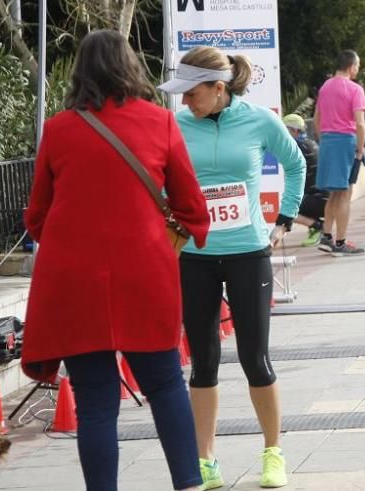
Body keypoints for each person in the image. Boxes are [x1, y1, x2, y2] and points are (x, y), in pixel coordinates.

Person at [22, 30, 211, 491]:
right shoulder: (161, 122)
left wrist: (72, 245)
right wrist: (163, 240)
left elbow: (37, 215)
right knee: (165, 385)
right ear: (130, 66)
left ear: (80, 71)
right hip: (145, 274)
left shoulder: (59, 128)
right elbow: (191, 207)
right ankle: (188, 482)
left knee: (95, 402)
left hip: (76, 279)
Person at [159, 46, 306, 490]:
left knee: (254, 358)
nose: (185, 102)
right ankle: (206, 461)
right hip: (195, 257)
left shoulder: (259, 120)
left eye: (191, 94)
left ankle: (273, 452)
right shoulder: (176, 126)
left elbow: (296, 164)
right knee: (202, 362)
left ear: (218, 88)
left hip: (247, 252)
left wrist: (284, 219)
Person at [314, 50, 365, 255]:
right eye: (358, 65)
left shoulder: (325, 87)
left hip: (327, 141)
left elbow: (317, 118)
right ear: (351, 66)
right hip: (346, 141)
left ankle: (327, 236)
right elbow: (360, 124)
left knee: (333, 194)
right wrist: (360, 149)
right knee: (345, 193)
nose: (358, 69)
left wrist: (323, 139)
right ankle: (340, 242)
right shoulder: (355, 89)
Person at [282, 113, 330, 247]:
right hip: (325, 198)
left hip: (320, 199)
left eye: (284, 130)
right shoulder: (310, 142)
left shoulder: (297, 146)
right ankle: (315, 228)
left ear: (295, 131)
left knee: (285, 207)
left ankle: (317, 226)